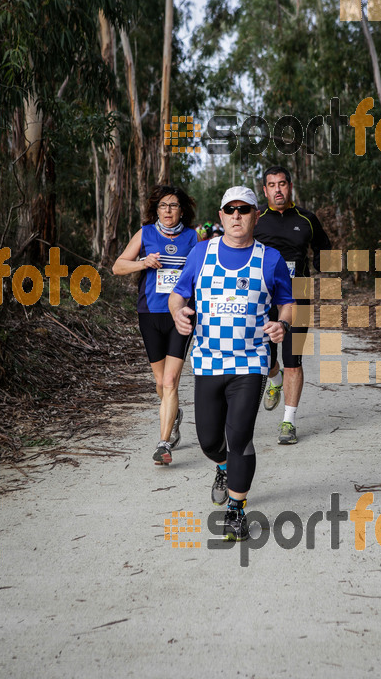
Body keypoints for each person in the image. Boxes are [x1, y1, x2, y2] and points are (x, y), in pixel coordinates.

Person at [169, 187, 294, 541]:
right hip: (208, 362)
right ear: (221, 216)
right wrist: (178, 314)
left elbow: (286, 301)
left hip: (250, 363)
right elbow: (178, 295)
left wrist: (282, 324)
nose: (237, 216)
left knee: (239, 436)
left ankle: (236, 510)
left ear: (256, 215)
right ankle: (223, 467)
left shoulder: (270, 259)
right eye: (230, 210)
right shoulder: (200, 253)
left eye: (245, 209)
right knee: (209, 441)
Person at [112, 185, 197, 465]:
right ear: (156, 209)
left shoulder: (193, 238)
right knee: (160, 383)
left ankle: (163, 444)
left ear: (182, 210)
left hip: (181, 315)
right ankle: (174, 414)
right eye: (163, 206)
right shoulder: (146, 234)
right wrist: (143, 263)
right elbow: (118, 266)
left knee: (171, 380)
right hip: (149, 313)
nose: (168, 210)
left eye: (173, 205)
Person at [253, 166, 331, 445]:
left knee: (293, 361)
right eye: (271, 185)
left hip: (298, 295)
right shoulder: (256, 217)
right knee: (264, 359)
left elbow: (324, 248)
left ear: (290, 186)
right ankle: (275, 380)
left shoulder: (307, 219)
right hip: (262, 299)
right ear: (264, 190)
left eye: (282, 184)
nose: (277, 190)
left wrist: (324, 268)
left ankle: (289, 421)